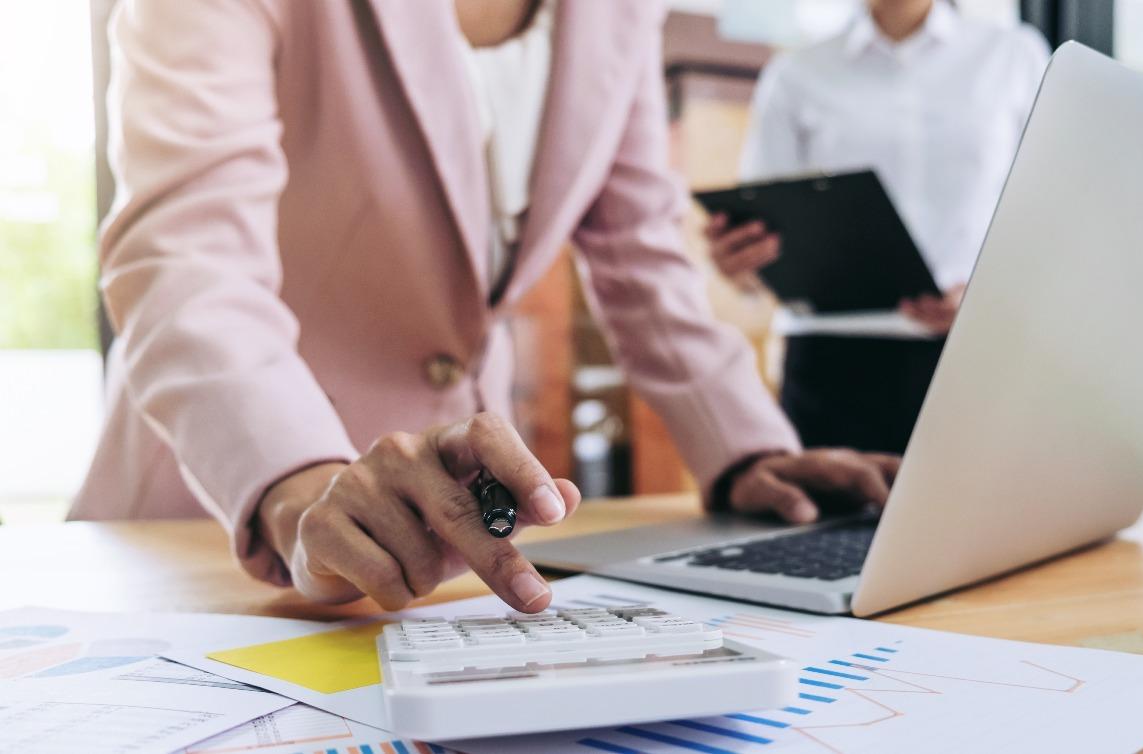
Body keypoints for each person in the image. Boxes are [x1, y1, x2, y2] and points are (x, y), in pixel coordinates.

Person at [70, 0, 902, 614]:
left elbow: (641, 252)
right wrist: (294, 477)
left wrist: (746, 451)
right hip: (222, 510)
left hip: (453, 555)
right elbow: (186, 257)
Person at [706, 0, 1049, 454]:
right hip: (831, 367)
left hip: (972, 354)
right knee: (826, 523)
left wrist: (994, 296)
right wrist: (741, 263)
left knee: (980, 522)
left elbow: (1051, 217)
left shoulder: (1014, 58)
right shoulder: (796, 75)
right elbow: (765, 232)